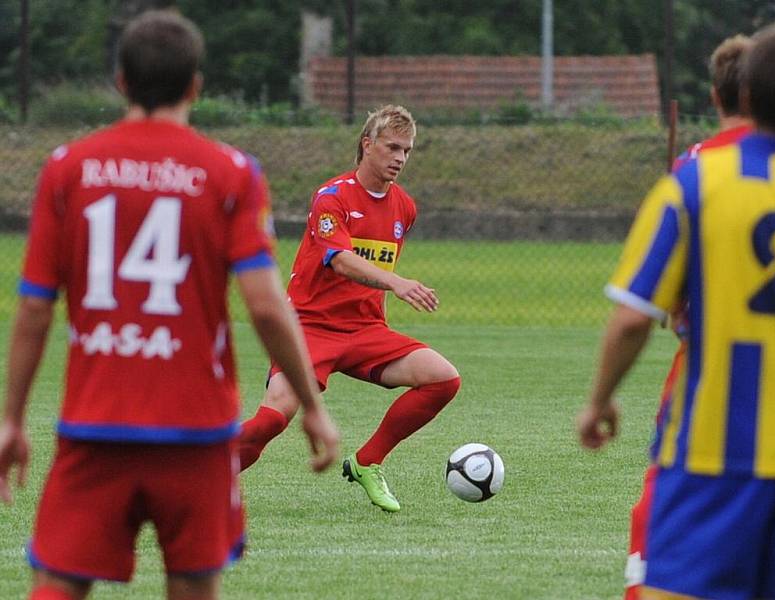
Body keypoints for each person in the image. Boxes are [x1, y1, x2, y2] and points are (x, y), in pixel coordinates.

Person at [0, 10, 339, 600]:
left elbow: (34, 309)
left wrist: (11, 419)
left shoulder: (68, 168)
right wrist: (310, 404)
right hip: (198, 432)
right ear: (195, 87)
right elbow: (264, 306)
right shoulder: (232, 173)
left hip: (95, 425)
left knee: (56, 585)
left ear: (121, 82)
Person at [577, 20, 775, 599]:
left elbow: (631, 317)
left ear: (743, 97)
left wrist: (599, 402)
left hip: (714, 447)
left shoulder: (697, 181)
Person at [238, 104, 460, 513]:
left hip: (365, 331)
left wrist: (385, 302)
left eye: (407, 151)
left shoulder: (404, 207)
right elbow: (340, 260)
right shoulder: (332, 197)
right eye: (392, 147)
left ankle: (367, 462)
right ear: (367, 145)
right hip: (308, 328)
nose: (399, 158)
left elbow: (371, 272)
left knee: (443, 379)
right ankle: (202, 473)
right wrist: (397, 282)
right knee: (271, 420)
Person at [622, 33, 754, 600]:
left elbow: (643, 303)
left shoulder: (696, 168)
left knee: (664, 507)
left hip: (708, 376)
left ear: (715, 96)